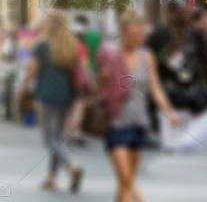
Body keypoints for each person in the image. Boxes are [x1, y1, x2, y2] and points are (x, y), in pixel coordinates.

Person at [98, 10, 180, 202]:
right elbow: (97, 91)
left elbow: (156, 87)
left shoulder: (146, 56)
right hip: (115, 124)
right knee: (126, 179)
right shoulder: (110, 54)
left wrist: (168, 111)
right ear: (123, 32)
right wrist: (102, 81)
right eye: (133, 35)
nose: (137, 39)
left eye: (140, 35)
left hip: (139, 124)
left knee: (126, 183)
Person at [18, 10, 85, 193]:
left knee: (51, 140)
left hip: (47, 96)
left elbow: (32, 71)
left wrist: (23, 88)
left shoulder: (42, 46)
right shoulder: (72, 45)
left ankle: (72, 167)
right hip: (67, 96)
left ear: (51, 24)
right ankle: (51, 178)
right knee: (59, 138)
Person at [147, 0, 207, 118]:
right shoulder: (159, 34)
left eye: (184, 10)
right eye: (177, 10)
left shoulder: (195, 35)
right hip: (170, 101)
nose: (182, 14)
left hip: (194, 100)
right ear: (170, 12)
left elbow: (204, 62)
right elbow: (151, 64)